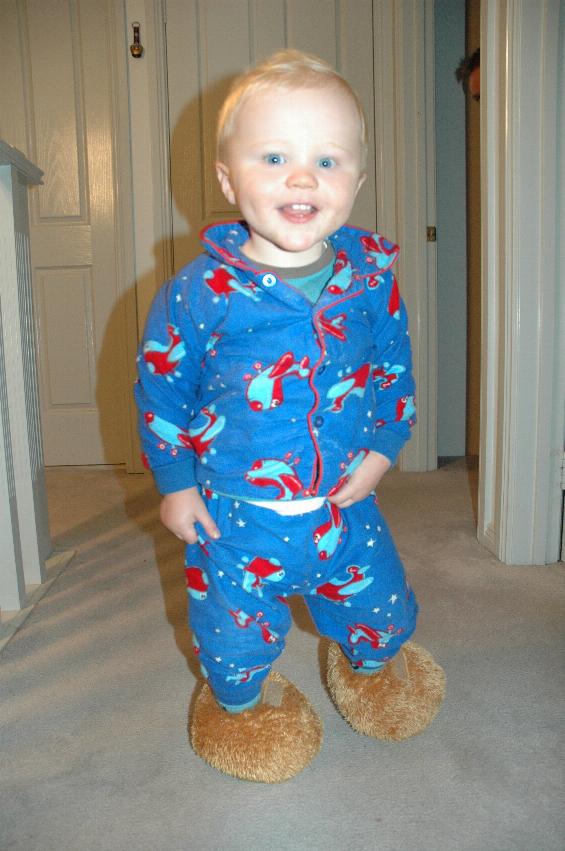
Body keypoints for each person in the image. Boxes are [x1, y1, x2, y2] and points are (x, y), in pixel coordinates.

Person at [135, 49, 445, 783]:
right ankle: (240, 709)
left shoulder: (370, 282)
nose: (302, 177)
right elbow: (162, 388)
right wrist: (176, 483)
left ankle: (368, 666)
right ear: (226, 178)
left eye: (328, 160)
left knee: (386, 610)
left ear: (357, 182)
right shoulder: (199, 290)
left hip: (345, 506)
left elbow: (393, 371)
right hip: (233, 517)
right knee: (231, 647)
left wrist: (382, 447)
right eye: (274, 156)